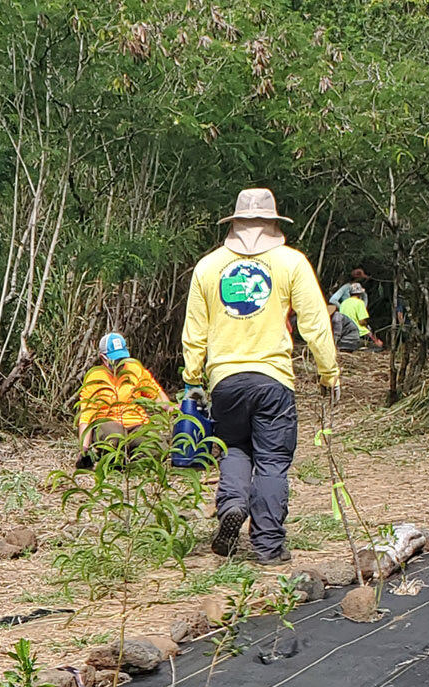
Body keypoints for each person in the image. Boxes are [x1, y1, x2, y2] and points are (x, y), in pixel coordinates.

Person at [181, 187, 337, 565]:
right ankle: (267, 546)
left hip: (225, 383)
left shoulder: (208, 266)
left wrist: (193, 378)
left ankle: (232, 504)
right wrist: (328, 371)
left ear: (234, 224)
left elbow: (194, 331)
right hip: (272, 380)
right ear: (272, 224)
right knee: (271, 460)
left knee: (234, 448)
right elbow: (314, 322)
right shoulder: (291, 262)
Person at [74, 331, 167, 463]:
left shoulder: (135, 369)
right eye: (115, 360)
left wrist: (176, 410)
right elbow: (86, 416)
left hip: (136, 423)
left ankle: (133, 463)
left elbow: (158, 395)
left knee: (157, 448)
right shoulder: (94, 377)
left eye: (122, 359)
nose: (120, 364)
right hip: (108, 423)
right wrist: (84, 450)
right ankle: (113, 459)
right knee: (115, 438)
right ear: (103, 358)